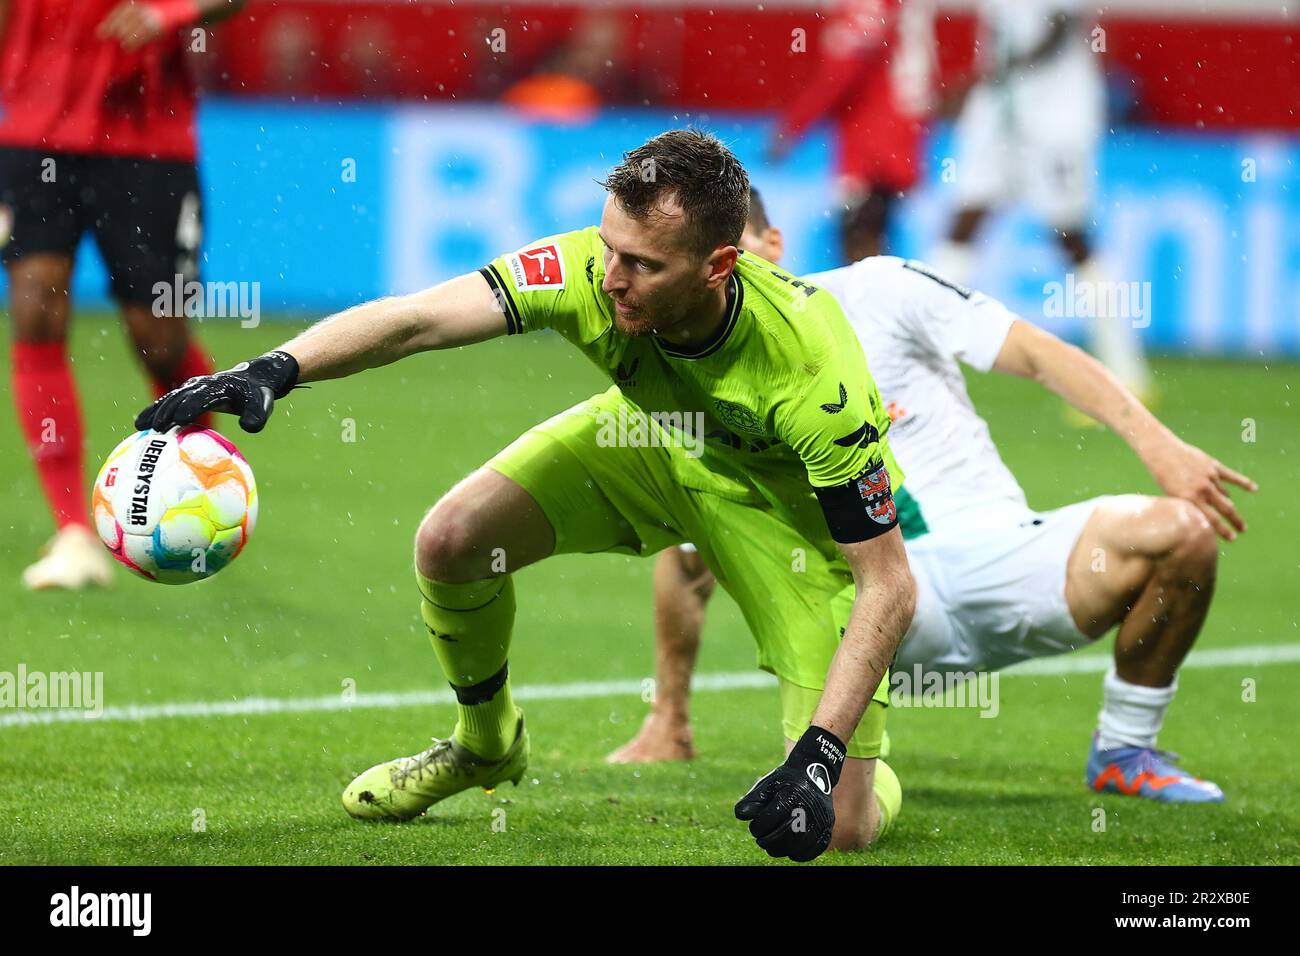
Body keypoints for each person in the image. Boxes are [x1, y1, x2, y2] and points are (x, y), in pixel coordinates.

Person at [133, 130, 918, 863]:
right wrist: (277, 367)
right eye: (609, 248)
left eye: (642, 264)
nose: (611, 278)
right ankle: (485, 742)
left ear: (718, 266)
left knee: (840, 827)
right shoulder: (589, 270)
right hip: (650, 444)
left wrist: (819, 757)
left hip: (784, 524)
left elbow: (890, 583)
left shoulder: (815, 370)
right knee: (452, 540)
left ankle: (858, 768)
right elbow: (416, 322)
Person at [611, 189, 1256, 804]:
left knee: (1182, 533)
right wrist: (671, 716)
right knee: (695, 525)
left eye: (738, 253)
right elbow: (692, 549)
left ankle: (1125, 750)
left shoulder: (880, 288)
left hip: (1003, 559)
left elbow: (1035, 353)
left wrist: (1158, 445)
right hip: (876, 615)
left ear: (772, 243)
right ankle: (736, 743)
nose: (728, 277)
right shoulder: (711, 377)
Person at [1, 0, 247, 589]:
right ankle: (71, 533)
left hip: (146, 140)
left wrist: (174, 12)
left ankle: (205, 482)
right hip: (33, 132)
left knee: (158, 339)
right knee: (34, 310)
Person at [930, 0, 1154, 402]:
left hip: (1054, 119)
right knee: (964, 220)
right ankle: (923, 349)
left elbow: (1058, 30)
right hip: (998, 114)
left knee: (1072, 238)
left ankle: (1124, 370)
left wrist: (985, 78)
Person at [768, 0, 935, 262]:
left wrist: (792, 127)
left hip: (870, 146)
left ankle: (866, 301)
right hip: (900, 136)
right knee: (875, 238)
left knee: (859, 243)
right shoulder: (901, 8)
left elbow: (840, 74)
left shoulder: (866, 7)